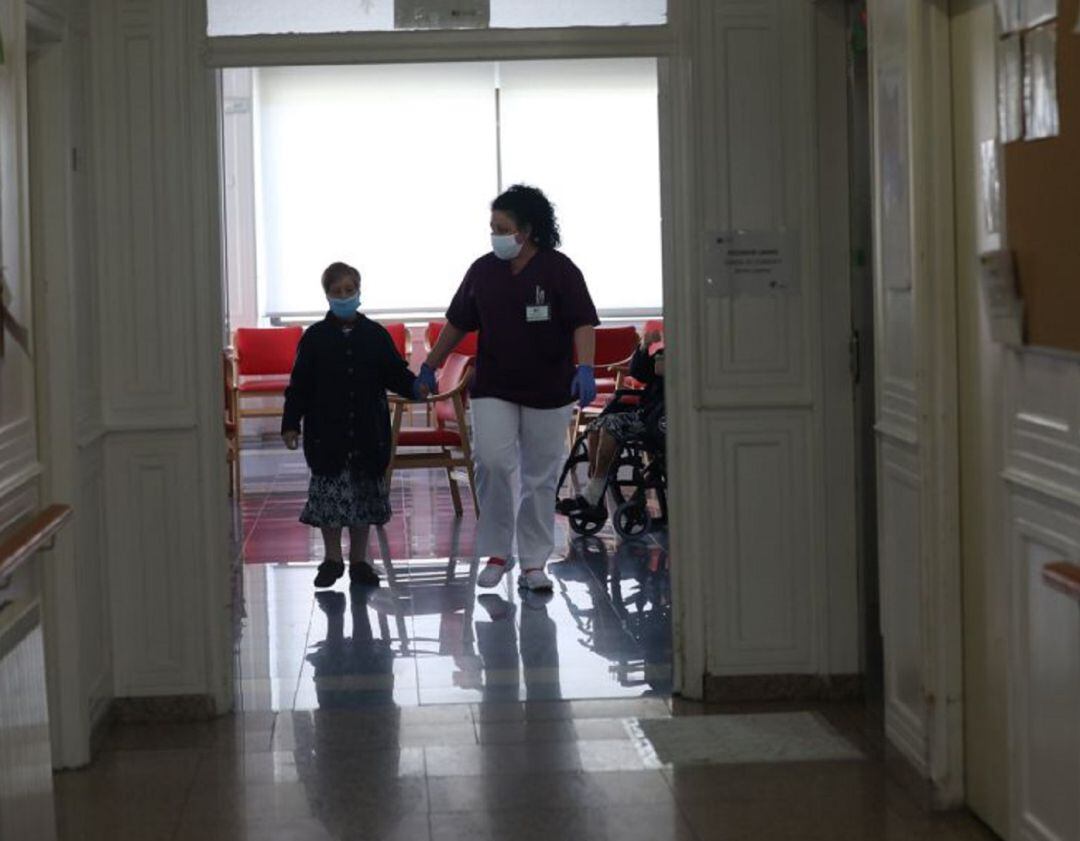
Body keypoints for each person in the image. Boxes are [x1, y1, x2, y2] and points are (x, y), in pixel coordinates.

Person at [419, 185, 599, 592]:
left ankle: (534, 561)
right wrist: (430, 365)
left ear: (528, 230)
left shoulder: (559, 269)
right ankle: (498, 552)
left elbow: (582, 321)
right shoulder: (483, 271)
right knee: (493, 462)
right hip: (495, 384)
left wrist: (585, 366)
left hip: (550, 385)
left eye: (503, 227)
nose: (495, 235)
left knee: (540, 475)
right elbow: (458, 323)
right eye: (492, 227)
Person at [282, 261, 428, 589]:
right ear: (327, 296)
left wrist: (415, 386)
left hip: (367, 432)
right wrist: (290, 423)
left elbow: (395, 373)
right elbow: (299, 385)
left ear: (359, 291)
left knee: (363, 498)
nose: (344, 297)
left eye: (350, 291)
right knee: (330, 499)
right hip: (326, 434)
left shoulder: (375, 335)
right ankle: (332, 558)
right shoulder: (315, 338)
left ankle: (359, 561)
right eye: (337, 292)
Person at [556, 329, 665, 517]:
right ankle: (594, 493)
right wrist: (644, 347)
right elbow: (638, 373)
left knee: (610, 426)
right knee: (595, 427)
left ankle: (593, 495)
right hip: (647, 411)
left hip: (661, 417)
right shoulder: (664, 351)